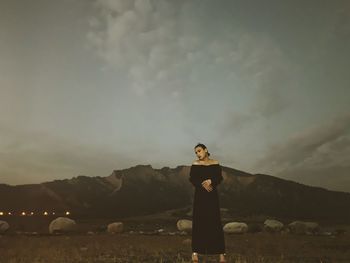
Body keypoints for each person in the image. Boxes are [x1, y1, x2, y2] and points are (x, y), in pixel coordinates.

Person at [189, 143, 226, 263]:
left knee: (215, 221)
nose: (197, 154)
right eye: (196, 152)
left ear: (206, 150)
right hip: (200, 196)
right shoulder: (195, 164)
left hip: (212, 196)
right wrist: (202, 183)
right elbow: (192, 178)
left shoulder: (215, 163)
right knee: (199, 222)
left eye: (199, 151)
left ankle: (221, 254)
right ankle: (195, 253)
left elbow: (219, 178)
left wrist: (211, 181)